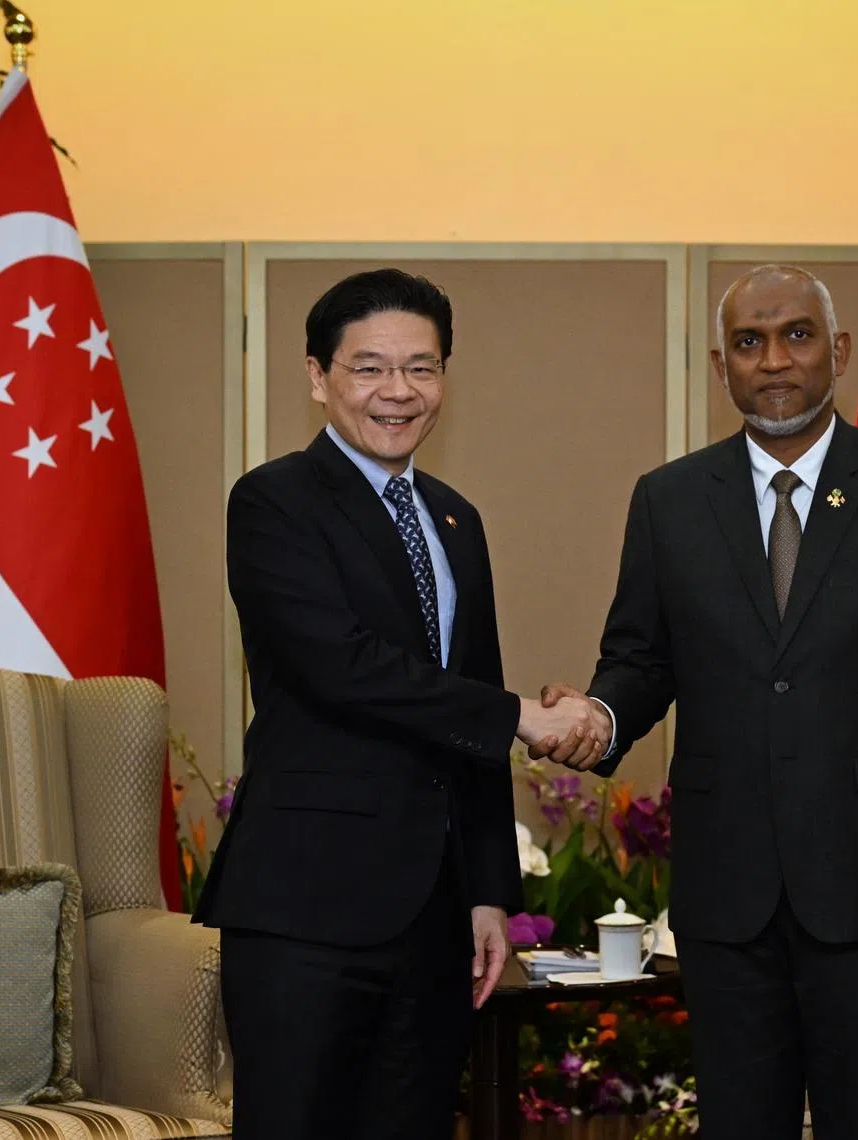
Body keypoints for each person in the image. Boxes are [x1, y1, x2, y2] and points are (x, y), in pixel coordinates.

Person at [535, 265, 858, 1140]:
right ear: (722, 367)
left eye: (796, 335)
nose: (774, 360)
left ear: (840, 351)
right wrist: (597, 715)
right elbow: (640, 659)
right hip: (727, 896)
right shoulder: (669, 500)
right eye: (749, 342)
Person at [193, 268, 599, 1139]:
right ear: (317, 375)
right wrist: (523, 715)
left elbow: (466, 716)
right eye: (370, 367)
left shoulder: (455, 519)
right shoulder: (272, 502)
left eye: (422, 367)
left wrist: (489, 891)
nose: (398, 391)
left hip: (434, 917)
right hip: (306, 908)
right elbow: (339, 667)